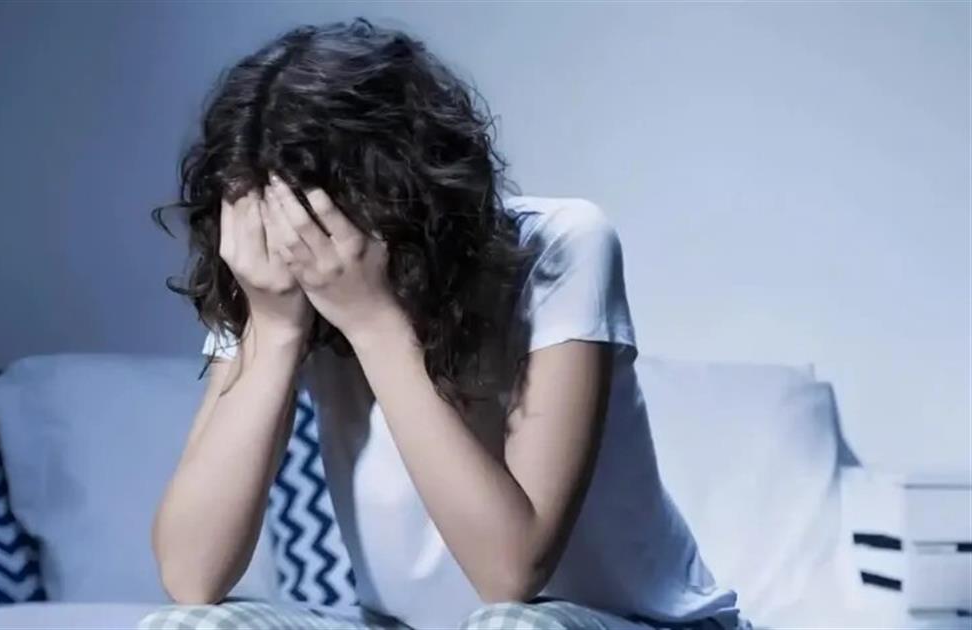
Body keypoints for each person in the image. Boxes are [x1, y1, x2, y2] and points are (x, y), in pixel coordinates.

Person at [140, 17, 750, 630]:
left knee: (510, 625)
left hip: (637, 622)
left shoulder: (561, 244)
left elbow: (511, 572)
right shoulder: (276, 278)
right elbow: (191, 576)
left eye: (313, 221)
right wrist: (273, 330)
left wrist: (373, 321)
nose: (296, 246)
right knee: (186, 626)